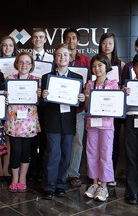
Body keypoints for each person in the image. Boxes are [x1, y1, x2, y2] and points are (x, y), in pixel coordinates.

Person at [41, 43, 85, 200]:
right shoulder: (47, 78)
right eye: (59, 55)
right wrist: (43, 96)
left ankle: (60, 185)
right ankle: (49, 186)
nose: (62, 57)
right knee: (53, 153)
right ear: (54, 58)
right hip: (52, 120)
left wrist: (82, 99)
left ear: (70, 58)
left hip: (68, 121)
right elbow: (43, 103)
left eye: (65, 55)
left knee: (66, 154)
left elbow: (79, 103)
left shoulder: (78, 79)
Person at [83, 53, 118, 201]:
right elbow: (86, 107)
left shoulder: (113, 84)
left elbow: (116, 105)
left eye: (100, 65)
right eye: (94, 66)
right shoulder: (89, 84)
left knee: (105, 155)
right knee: (91, 153)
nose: (97, 69)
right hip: (92, 124)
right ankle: (94, 184)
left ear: (106, 66)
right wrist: (86, 98)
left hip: (107, 125)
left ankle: (104, 186)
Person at [5, 51, 41, 193]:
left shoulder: (37, 80)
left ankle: (23, 179)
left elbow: (42, 101)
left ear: (31, 65)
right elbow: (4, 98)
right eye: (21, 62)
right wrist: (5, 99)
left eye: (27, 62)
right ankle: (14, 179)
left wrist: (40, 95)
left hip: (29, 122)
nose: (24, 65)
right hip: (14, 122)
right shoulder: (10, 79)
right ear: (16, 63)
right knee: (15, 151)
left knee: (26, 151)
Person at [63, 28, 91, 187]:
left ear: (78, 41)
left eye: (74, 38)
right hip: (62, 108)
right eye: (68, 38)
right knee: (61, 141)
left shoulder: (86, 61)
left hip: (79, 109)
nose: (71, 41)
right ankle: (62, 171)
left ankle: (73, 173)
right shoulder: (59, 58)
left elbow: (89, 83)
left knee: (77, 142)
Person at [99, 32, 125, 187]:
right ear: (100, 44)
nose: (107, 46)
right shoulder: (96, 62)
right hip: (98, 111)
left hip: (114, 110)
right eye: (104, 43)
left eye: (110, 43)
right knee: (99, 144)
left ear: (114, 45)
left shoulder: (121, 65)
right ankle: (98, 174)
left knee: (112, 143)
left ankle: (111, 174)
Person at [28, 28, 54, 182]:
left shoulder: (51, 58)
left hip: (45, 104)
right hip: (30, 103)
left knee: (44, 139)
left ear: (45, 40)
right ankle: (32, 170)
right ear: (32, 39)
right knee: (32, 139)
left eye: (41, 37)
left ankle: (42, 170)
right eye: (36, 37)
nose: (38, 39)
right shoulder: (26, 58)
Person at [0, 36, 18, 181]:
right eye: (5, 45)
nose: (7, 48)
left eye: (10, 45)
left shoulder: (18, 65)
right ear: (1, 48)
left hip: (12, 106)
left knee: (8, 139)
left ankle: (6, 168)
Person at [124, 54, 138, 205]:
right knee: (132, 157)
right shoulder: (128, 87)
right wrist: (123, 95)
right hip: (131, 120)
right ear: (134, 68)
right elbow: (120, 108)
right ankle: (133, 192)